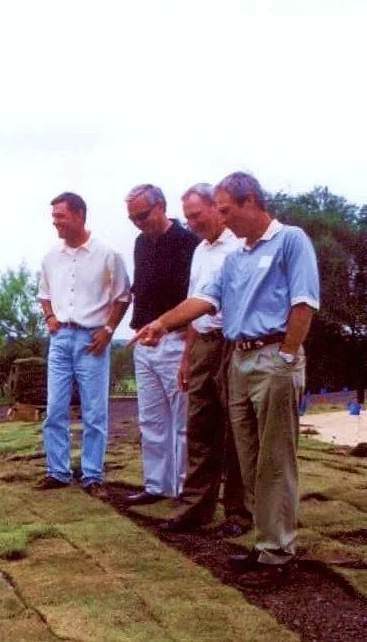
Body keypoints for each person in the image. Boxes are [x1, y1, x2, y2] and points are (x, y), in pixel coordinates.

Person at [131, 172, 320, 584]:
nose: (221, 218)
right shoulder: (236, 257)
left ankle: (278, 555)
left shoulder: (291, 241)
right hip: (240, 359)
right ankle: (266, 542)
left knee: (274, 460)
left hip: (273, 358)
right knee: (250, 460)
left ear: (250, 200)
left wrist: (287, 356)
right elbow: (203, 300)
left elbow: (304, 303)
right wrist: (161, 323)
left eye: (225, 210)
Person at [158, 183, 250, 537]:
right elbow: (196, 302)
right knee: (199, 428)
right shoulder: (199, 250)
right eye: (187, 217)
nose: (192, 223)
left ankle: (240, 512)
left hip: (232, 341)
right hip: (202, 343)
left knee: (236, 428)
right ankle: (196, 507)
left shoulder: (239, 245)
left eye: (196, 215)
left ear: (216, 208)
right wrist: (186, 357)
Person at [36, 192, 132, 499]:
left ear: (78, 215)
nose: (55, 223)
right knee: (55, 408)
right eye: (54, 218)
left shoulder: (107, 255)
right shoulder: (51, 257)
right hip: (61, 339)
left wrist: (108, 329)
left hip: (92, 339)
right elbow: (44, 292)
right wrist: (50, 317)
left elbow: (122, 296)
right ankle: (58, 471)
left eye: (60, 217)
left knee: (94, 410)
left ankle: (92, 474)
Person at [124, 184, 199, 506]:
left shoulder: (189, 243)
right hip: (145, 340)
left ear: (161, 207)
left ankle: (184, 489)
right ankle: (157, 485)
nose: (139, 223)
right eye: (132, 218)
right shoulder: (141, 244)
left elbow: (196, 299)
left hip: (177, 339)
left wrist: (185, 344)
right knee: (152, 418)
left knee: (182, 420)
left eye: (142, 215)